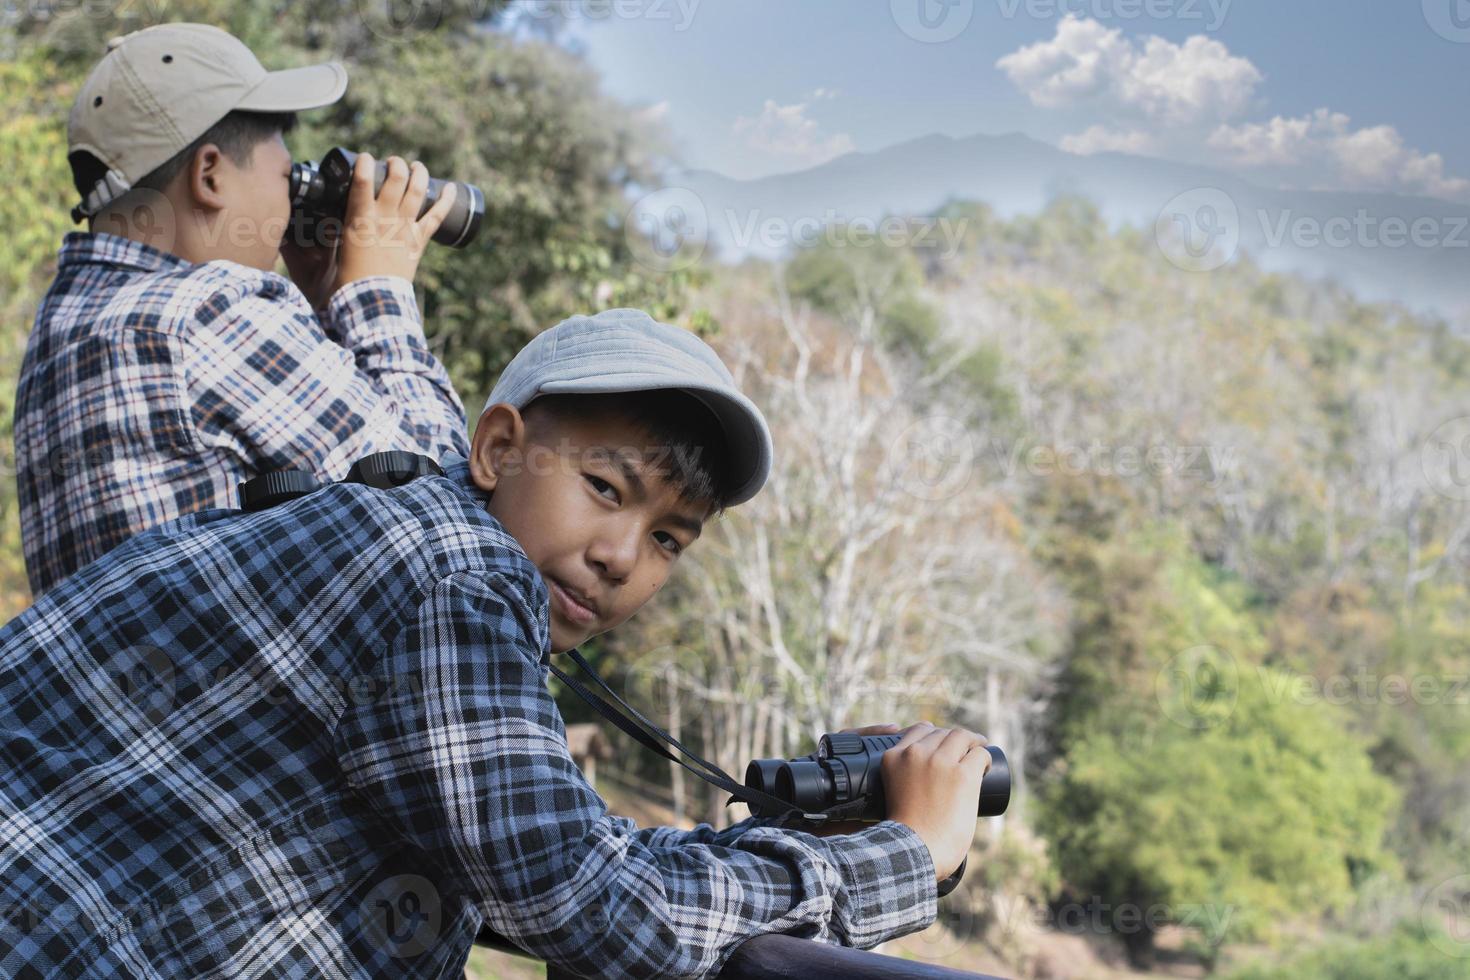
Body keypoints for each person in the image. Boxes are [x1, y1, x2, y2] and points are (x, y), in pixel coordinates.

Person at [0, 309, 991, 979]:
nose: (619, 556)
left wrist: (817, 836)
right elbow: (593, 905)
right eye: (606, 487)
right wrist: (909, 854)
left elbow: (558, 854)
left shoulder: (419, 541)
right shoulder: (458, 571)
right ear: (498, 446)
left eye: (668, 539)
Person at [14, 22, 468, 599]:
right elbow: (446, 507)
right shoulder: (209, 310)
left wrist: (325, 301)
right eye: (286, 177)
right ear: (209, 175)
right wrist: (377, 290)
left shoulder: (63, 330)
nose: (291, 201)